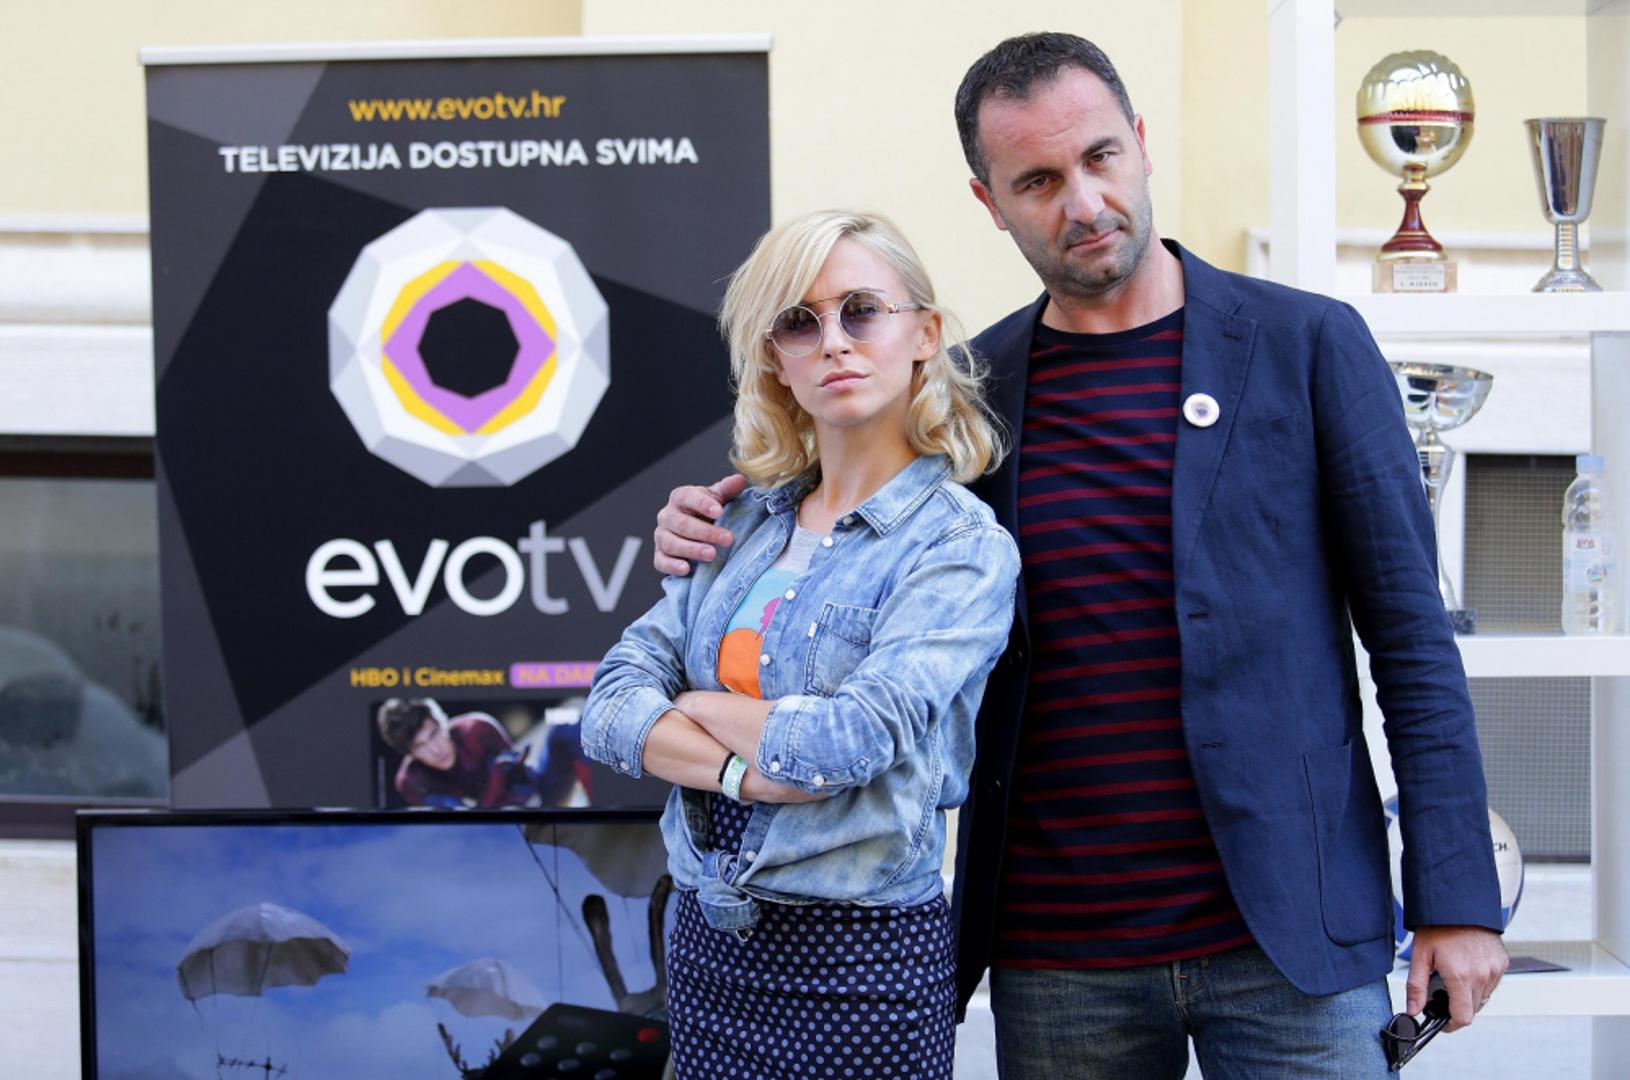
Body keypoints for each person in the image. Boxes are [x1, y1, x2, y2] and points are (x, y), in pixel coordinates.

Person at [650, 32, 1508, 1080]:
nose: (1085, 202)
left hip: (1290, 936)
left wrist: (1456, 900)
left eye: (1100, 157)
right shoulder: (967, 398)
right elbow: (833, 514)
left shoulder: (1307, 347)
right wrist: (718, 522)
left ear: (1140, 143)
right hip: (1060, 954)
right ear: (990, 201)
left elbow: (1413, 644)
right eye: (1039, 181)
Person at [580, 209, 1020, 1080]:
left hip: (862, 961)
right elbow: (607, 709)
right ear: (775, 359)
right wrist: (744, 772)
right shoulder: (738, 522)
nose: (834, 342)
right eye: (799, 322)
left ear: (924, 334)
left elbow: (845, 743)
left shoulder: (959, 547)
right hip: (708, 942)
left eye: (862, 310)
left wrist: (691, 705)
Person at [376, 697, 540, 808]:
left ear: (444, 723)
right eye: (420, 746)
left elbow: (522, 785)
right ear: (410, 754)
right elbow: (463, 828)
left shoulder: (478, 730)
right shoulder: (410, 782)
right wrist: (497, 779)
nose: (436, 750)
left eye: (434, 734)